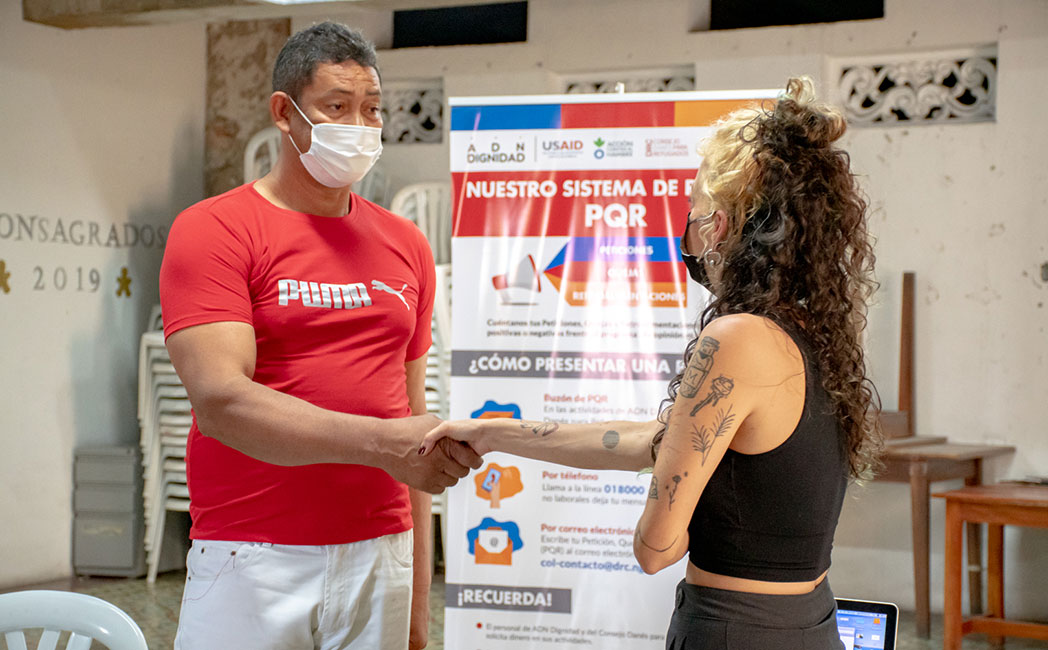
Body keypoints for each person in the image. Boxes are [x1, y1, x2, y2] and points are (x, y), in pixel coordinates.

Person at [420, 77, 881, 650]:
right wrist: (492, 433)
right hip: (810, 622)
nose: (687, 228)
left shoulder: (735, 339)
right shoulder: (810, 333)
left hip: (732, 628)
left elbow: (655, 548)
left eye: (695, 209)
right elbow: (656, 439)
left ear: (723, 227)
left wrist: (665, 502)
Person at [159, 22, 481, 650]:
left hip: (379, 552)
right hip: (251, 554)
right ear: (286, 112)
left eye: (371, 110)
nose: (359, 126)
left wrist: (418, 606)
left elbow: (410, 416)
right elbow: (223, 402)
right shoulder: (215, 230)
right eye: (336, 107)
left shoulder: (406, 243)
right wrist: (381, 444)